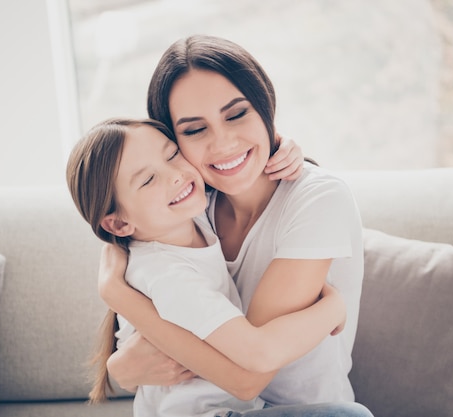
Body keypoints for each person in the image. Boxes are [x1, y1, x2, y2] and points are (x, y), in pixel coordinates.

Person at [99, 35, 371, 416]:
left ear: (265, 106)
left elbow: (247, 377)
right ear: (174, 139)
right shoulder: (188, 205)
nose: (223, 143)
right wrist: (119, 367)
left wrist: (114, 292)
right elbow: (124, 216)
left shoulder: (318, 199)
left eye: (237, 113)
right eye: (195, 130)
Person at [66, 117, 365, 417]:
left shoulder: (192, 216)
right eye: (147, 180)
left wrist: (280, 147)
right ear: (119, 223)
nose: (175, 175)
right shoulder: (168, 276)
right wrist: (334, 308)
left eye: (171, 154)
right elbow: (257, 356)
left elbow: (230, 161)